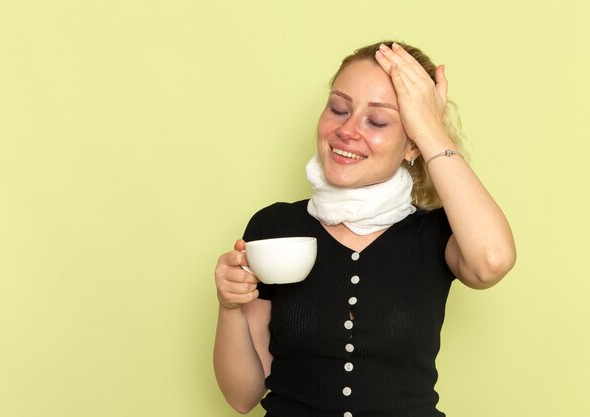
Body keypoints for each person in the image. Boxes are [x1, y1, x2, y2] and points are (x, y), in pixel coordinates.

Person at [213, 40, 516, 417]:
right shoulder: (275, 226)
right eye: (339, 108)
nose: (348, 130)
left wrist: (430, 128)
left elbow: (492, 260)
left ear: (412, 146)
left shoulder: (437, 232)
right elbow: (243, 396)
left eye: (377, 120)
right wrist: (229, 307)